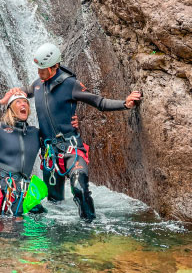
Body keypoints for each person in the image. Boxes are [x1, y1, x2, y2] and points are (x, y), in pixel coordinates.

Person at [8, 43, 142, 222]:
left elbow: (99, 102)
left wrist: (125, 104)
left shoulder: (71, 84)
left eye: (43, 69)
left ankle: (90, 227)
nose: (39, 73)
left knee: (79, 188)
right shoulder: (37, 85)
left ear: (55, 66)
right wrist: (15, 92)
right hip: (50, 154)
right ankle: (60, 239)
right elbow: (22, 94)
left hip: (71, 148)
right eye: (38, 69)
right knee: (55, 203)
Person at [0, 90, 78, 220]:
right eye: (18, 102)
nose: (23, 104)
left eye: (25, 102)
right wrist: (1, 102)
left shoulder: (36, 133)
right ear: (10, 108)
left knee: (38, 225)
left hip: (21, 191)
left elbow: (60, 133)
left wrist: (72, 124)